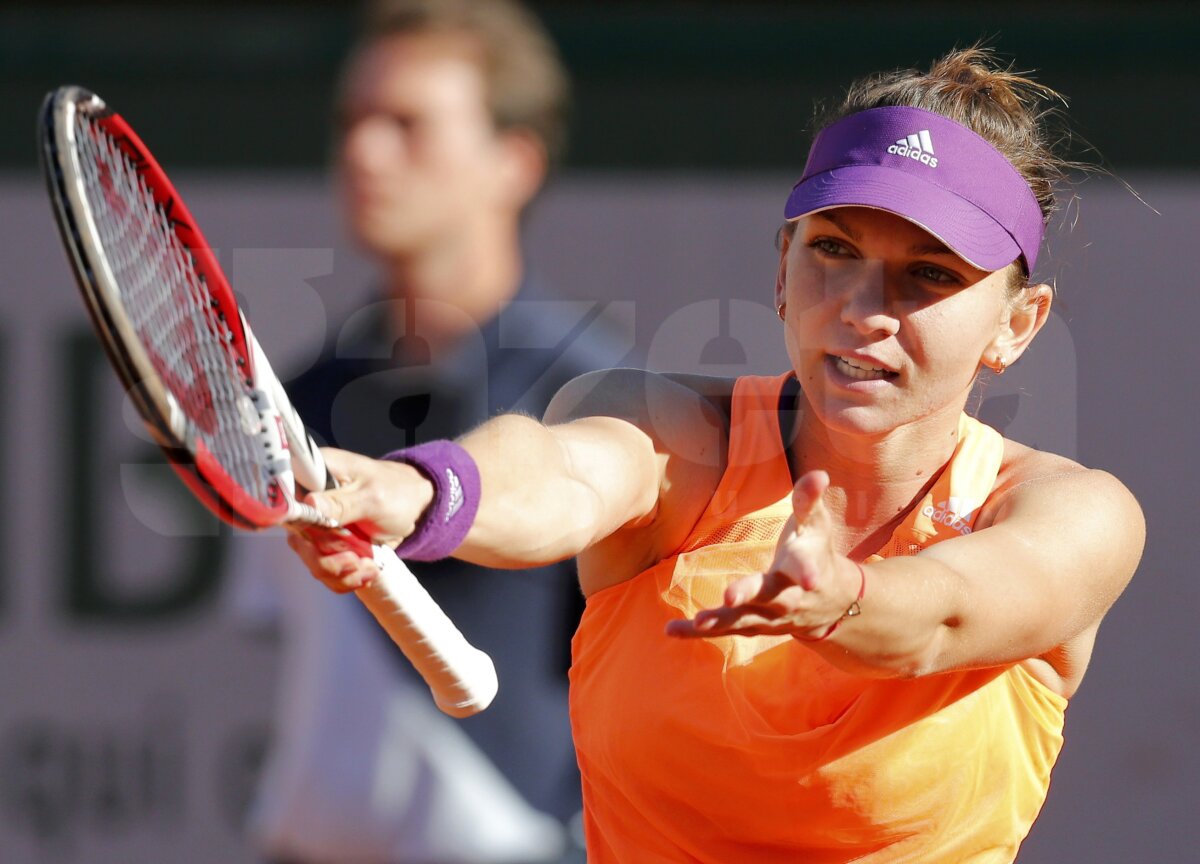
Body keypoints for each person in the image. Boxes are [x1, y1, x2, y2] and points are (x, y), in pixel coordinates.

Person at [288, 47, 1144, 863]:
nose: (862, 307)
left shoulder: (1077, 515)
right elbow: (563, 471)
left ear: (1016, 324)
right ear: (782, 270)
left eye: (930, 274)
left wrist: (844, 597)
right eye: (834, 249)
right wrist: (424, 490)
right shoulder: (670, 432)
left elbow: (950, 610)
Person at [234, 1, 625, 861]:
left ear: (514, 161)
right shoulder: (299, 397)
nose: (364, 151)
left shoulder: (600, 401)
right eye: (353, 121)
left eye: (408, 124)